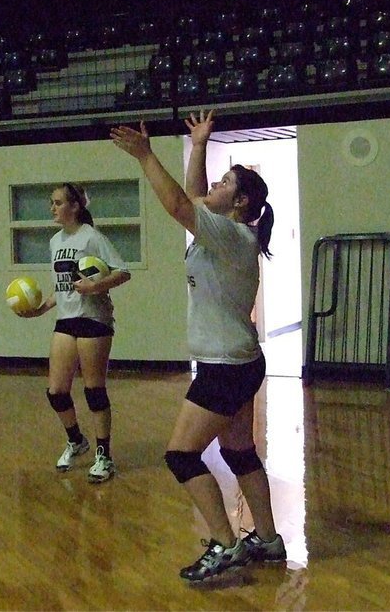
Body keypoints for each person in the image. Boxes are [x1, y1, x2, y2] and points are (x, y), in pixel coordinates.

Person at [111, 111, 286, 582]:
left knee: (181, 456)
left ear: (240, 201)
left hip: (225, 368)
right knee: (239, 453)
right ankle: (268, 540)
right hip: (238, 362)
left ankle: (227, 545)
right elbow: (192, 198)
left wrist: (146, 156)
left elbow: (177, 205)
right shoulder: (226, 229)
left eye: (225, 182)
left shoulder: (230, 234)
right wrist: (199, 145)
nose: (215, 185)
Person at [19, 182, 131, 483]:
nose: (52, 208)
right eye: (51, 203)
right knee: (56, 391)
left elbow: (123, 271)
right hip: (66, 319)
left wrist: (96, 286)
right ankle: (76, 440)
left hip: (94, 318)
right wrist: (42, 308)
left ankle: (104, 456)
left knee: (94, 390)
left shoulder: (92, 237)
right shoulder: (55, 241)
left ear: (75, 207)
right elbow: (62, 286)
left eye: (57, 203)